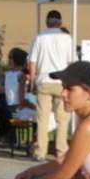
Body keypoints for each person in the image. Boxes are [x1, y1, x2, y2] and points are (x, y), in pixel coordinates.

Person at [28, 9, 75, 161]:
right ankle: (61, 151)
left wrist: (33, 81)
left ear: (47, 22)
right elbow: (72, 62)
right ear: (60, 23)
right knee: (62, 119)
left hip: (43, 81)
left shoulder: (40, 38)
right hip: (62, 82)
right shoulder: (67, 39)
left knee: (42, 118)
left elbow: (33, 61)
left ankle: (41, 151)